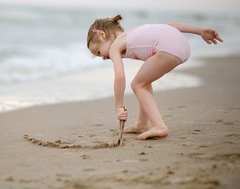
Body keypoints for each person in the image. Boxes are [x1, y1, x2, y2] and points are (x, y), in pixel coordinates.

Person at [87, 15, 223, 140]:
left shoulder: (115, 46)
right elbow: (172, 26)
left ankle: (159, 126)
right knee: (144, 83)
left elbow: (120, 77)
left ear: (102, 35)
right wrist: (200, 31)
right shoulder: (134, 32)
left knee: (137, 85)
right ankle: (141, 124)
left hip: (167, 49)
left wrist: (118, 106)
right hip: (182, 47)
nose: (102, 57)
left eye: (98, 52)